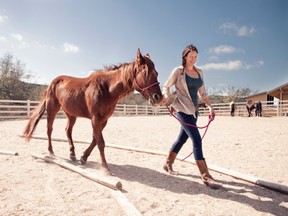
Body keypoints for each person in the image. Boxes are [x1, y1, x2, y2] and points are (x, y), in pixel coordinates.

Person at [161, 44, 221, 189]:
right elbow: (166, 86)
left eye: (195, 56)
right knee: (196, 139)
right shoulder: (178, 71)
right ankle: (206, 176)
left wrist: (210, 106)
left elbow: (203, 94)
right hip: (181, 109)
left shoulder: (200, 72)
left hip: (194, 111)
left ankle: (167, 163)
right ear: (185, 56)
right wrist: (166, 97)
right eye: (191, 56)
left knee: (182, 138)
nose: (193, 59)